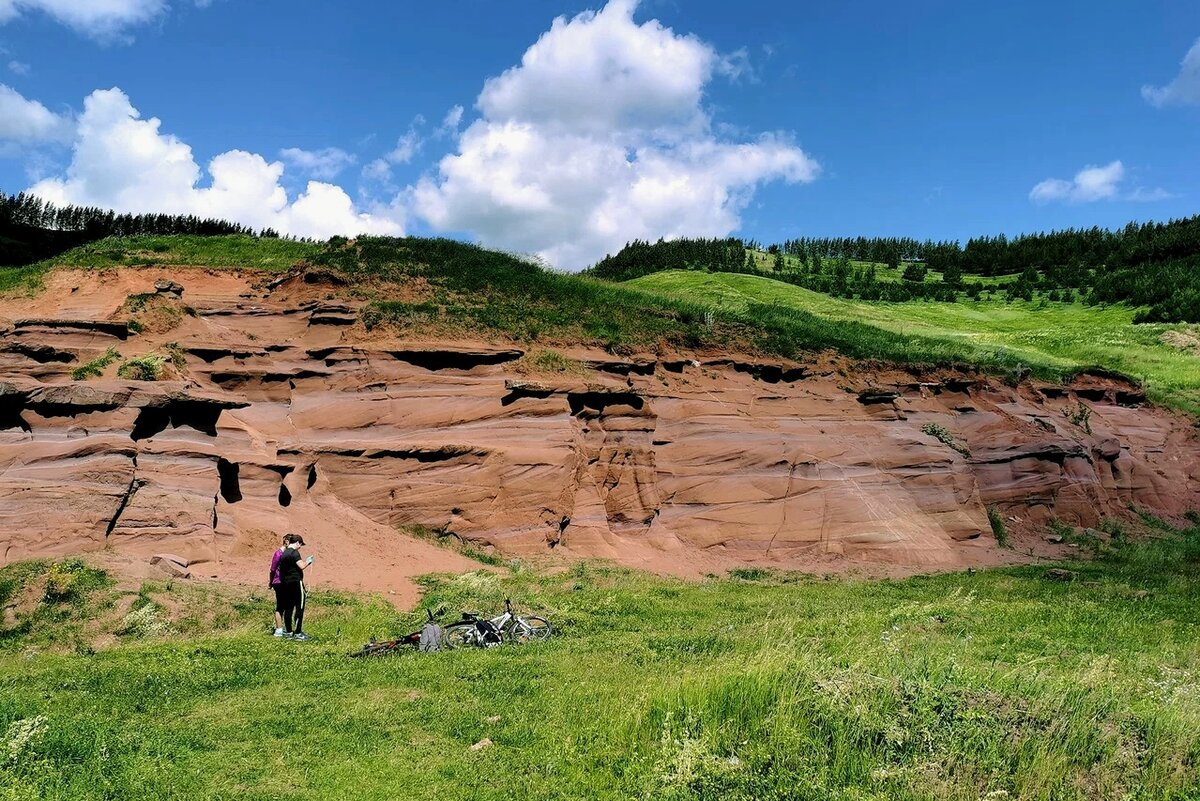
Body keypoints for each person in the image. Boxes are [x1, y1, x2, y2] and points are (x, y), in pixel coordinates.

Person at [276, 533, 313, 640]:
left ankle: (288, 632)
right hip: (296, 583)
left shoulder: (284, 553)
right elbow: (301, 566)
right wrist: (308, 561)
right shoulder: (294, 553)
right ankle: (298, 633)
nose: (300, 547)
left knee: (288, 608)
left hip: (286, 584)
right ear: (297, 542)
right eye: (300, 544)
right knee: (299, 607)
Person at [268, 535, 288, 637]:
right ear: (286, 541)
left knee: (286, 606)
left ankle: (284, 628)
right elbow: (272, 569)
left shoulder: (288, 554)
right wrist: (271, 582)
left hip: (286, 583)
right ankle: (279, 630)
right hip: (279, 582)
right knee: (280, 606)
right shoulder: (278, 553)